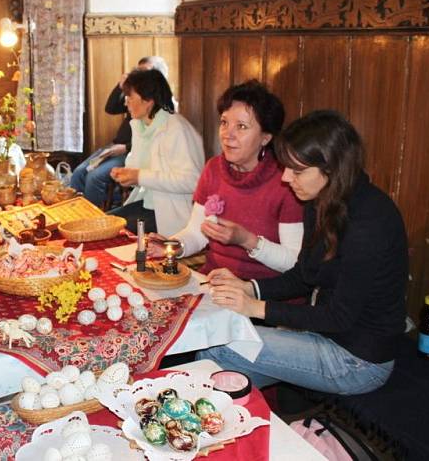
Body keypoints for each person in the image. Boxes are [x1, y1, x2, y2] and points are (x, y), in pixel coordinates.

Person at [198, 110, 408, 395]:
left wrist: (255, 308)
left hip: (359, 359)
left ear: (332, 169)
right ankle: (237, 429)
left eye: (297, 171)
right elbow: (304, 274)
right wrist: (249, 288)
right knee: (217, 373)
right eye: (286, 167)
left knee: (221, 347)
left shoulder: (371, 222)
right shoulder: (321, 201)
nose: (286, 178)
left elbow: (338, 317)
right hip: (328, 336)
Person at [151, 80, 303, 280]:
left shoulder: (287, 180)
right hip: (215, 281)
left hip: (263, 294)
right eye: (224, 122)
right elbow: (197, 233)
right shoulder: (214, 168)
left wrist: (247, 240)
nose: (227, 134)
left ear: (265, 137)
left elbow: (293, 262)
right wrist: (172, 247)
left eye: (241, 126)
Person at [107, 68, 204, 235]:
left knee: (110, 233)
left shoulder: (176, 128)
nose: (126, 102)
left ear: (148, 100)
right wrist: (127, 175)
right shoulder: (140, 126)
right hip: (147, 204)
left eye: (130, 97)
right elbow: (140, 172)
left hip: (170, 214)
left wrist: (139, 176)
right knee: (103, 224)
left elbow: (192, 181)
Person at [70, 56, 169, 208]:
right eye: (138, 72)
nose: (139, 78)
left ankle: (91, 222)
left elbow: (151, 141)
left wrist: (125, 148)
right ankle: (76, 213)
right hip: (115, 147)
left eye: (144, 74)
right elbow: (110, 108)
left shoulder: (160, 104)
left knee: (94, 178)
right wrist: (120, 86)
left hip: (130, 152)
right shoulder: (136, 98)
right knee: (78, 173)